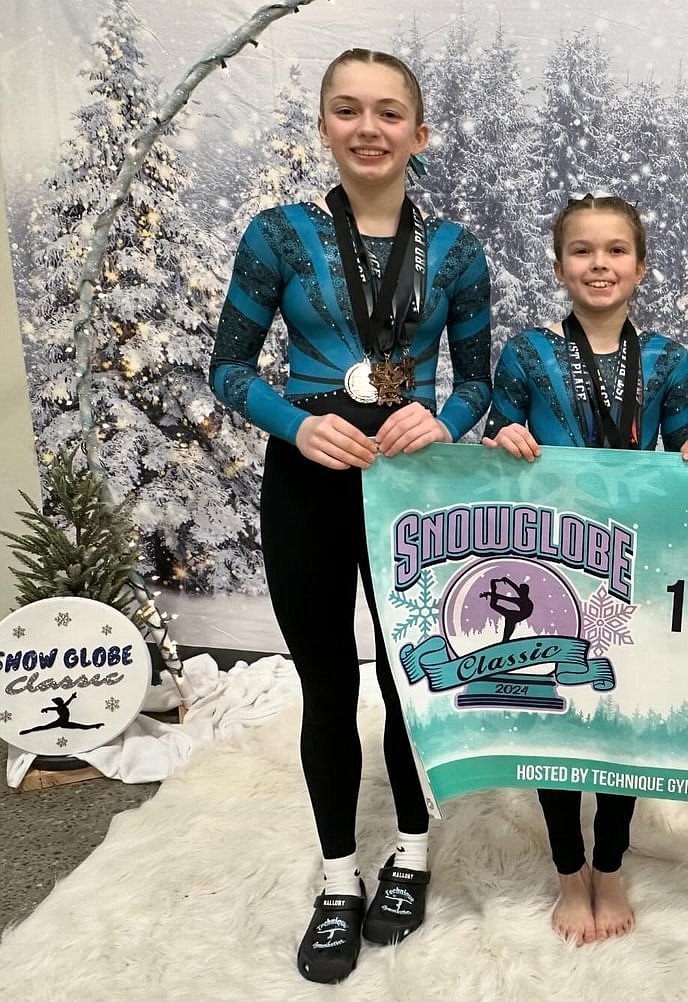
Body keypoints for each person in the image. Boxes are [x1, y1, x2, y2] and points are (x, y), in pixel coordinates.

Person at [208, 48, 491, 984]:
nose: (368, 128)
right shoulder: (277, 236)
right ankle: (338, 879)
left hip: (414, 488)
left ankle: (409, 855)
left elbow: (480, 379)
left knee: (414, 676)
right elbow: (231, 370)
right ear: (325, 125)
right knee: (327, 684)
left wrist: (443, 417)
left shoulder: (456, 250)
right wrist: (296, 424)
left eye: (388, 112)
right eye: (348, 110)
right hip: (309, 485)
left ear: (420, 131)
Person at [483, 192, 688, 946]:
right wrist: (505, 436)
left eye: (616, 250)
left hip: (632, 561)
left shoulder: (666, 359)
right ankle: (567, 869)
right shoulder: (526, 353)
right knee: (557, 715)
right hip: (550, 558)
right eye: (583, 251)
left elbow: (685, 435)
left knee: (618, 716)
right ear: (559, 266)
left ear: (641, 266)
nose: (600, 264)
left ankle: (611, 865)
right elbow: (500, 425)